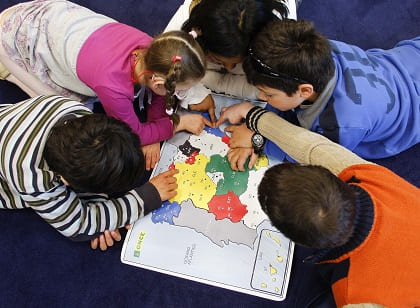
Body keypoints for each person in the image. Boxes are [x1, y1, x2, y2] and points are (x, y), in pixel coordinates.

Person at [217, 102, 420, 307]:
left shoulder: (351, 294)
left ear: (299, 241)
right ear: (331, 176)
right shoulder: (371, 176)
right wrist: (252, 116)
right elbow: (310, 146)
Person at [0, 0, 212, 170]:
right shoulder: (114, 88)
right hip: (20, 36)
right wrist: (176, 124)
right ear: (157, 81)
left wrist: (156, 124)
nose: (182, 95)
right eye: (180, 90)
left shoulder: (157, 52)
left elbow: (157, 94)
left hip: (57, 19)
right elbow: (132, 133)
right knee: (74, 107)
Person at [221, 19, 419, 167]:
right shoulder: (320, 50)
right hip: (408, 58)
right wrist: (261, 123)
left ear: (305, 91)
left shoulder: (339, 124)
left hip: (410, 116)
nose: (262, 98)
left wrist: (259, 141)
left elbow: (312, 152)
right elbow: (285, 101)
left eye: (268, 94)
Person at [0, 95, 179, 250]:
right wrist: (146, 197)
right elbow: (77, 226)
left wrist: (100, 214)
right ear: (66, 181)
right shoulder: (31, 178)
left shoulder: (76, 112)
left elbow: (95, 156)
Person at [164, 0, 298, 123]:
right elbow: (171, 75)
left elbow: (265, 89)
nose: (229, 69)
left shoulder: (279, 46)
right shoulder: (180, 39)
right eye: (218, 60)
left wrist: (210, 81)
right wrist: (195, 94)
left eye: (238, 63)